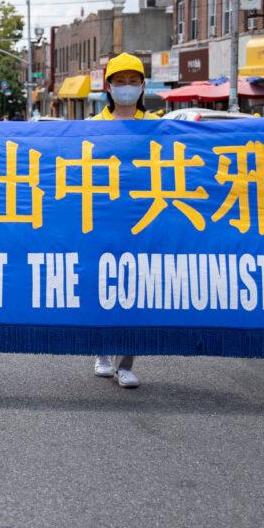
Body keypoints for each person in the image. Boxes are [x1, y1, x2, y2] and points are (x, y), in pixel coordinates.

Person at [89, 52, 157, 389]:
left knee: (138, 287)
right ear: (109, 87)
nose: (127, 87)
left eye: (133, 81)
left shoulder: (159, 123)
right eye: (120, 82)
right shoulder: (91, 127)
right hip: (102, 215)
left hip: (143, 216)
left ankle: (126, 362)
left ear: (143, 86)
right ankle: (101, 351)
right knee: (104, 284)